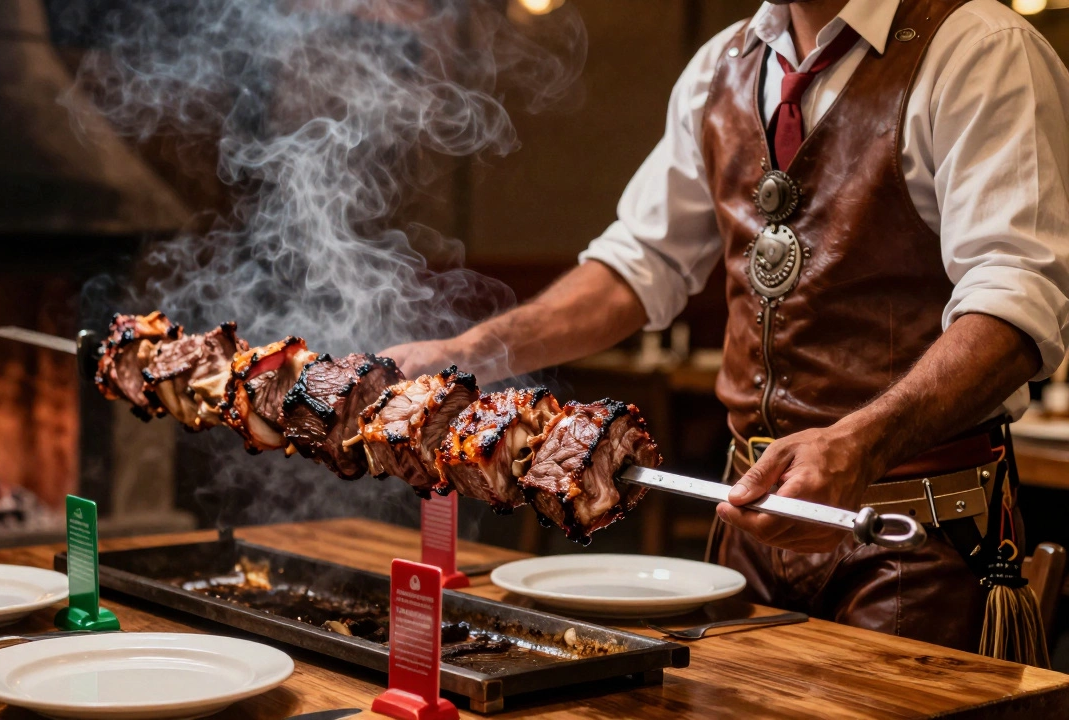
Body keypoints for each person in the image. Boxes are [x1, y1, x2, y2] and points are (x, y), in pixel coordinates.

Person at [383, 0, 1069, 654]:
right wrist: (469, 351)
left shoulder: (980, 48)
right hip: (745, 531)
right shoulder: (723, 64)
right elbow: (638, 265)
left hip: (915, 542)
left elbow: (1015, 302)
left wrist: (861, 443)